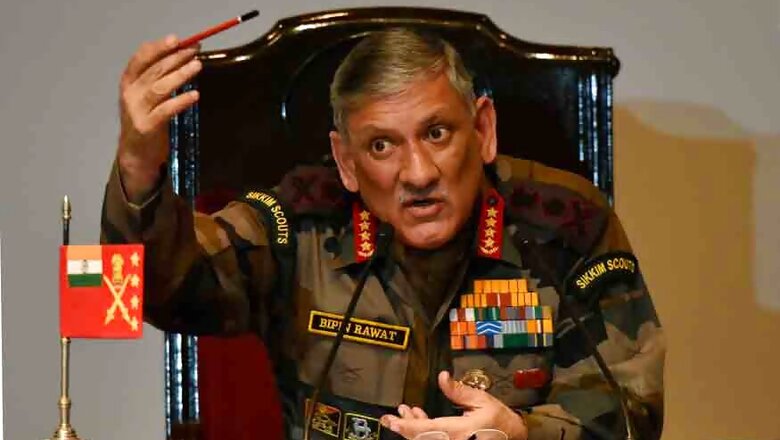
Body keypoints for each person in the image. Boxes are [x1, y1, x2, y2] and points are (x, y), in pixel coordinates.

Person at [102, 28, 665, 440]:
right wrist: (137, 164)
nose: (417, 173)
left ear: (483, 130)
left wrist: (522, 434)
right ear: (347, 163)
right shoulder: (299, 223)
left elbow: (630, 411)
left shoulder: (565, 225)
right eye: (381, 146)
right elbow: (162, 289)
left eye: (437, 133)